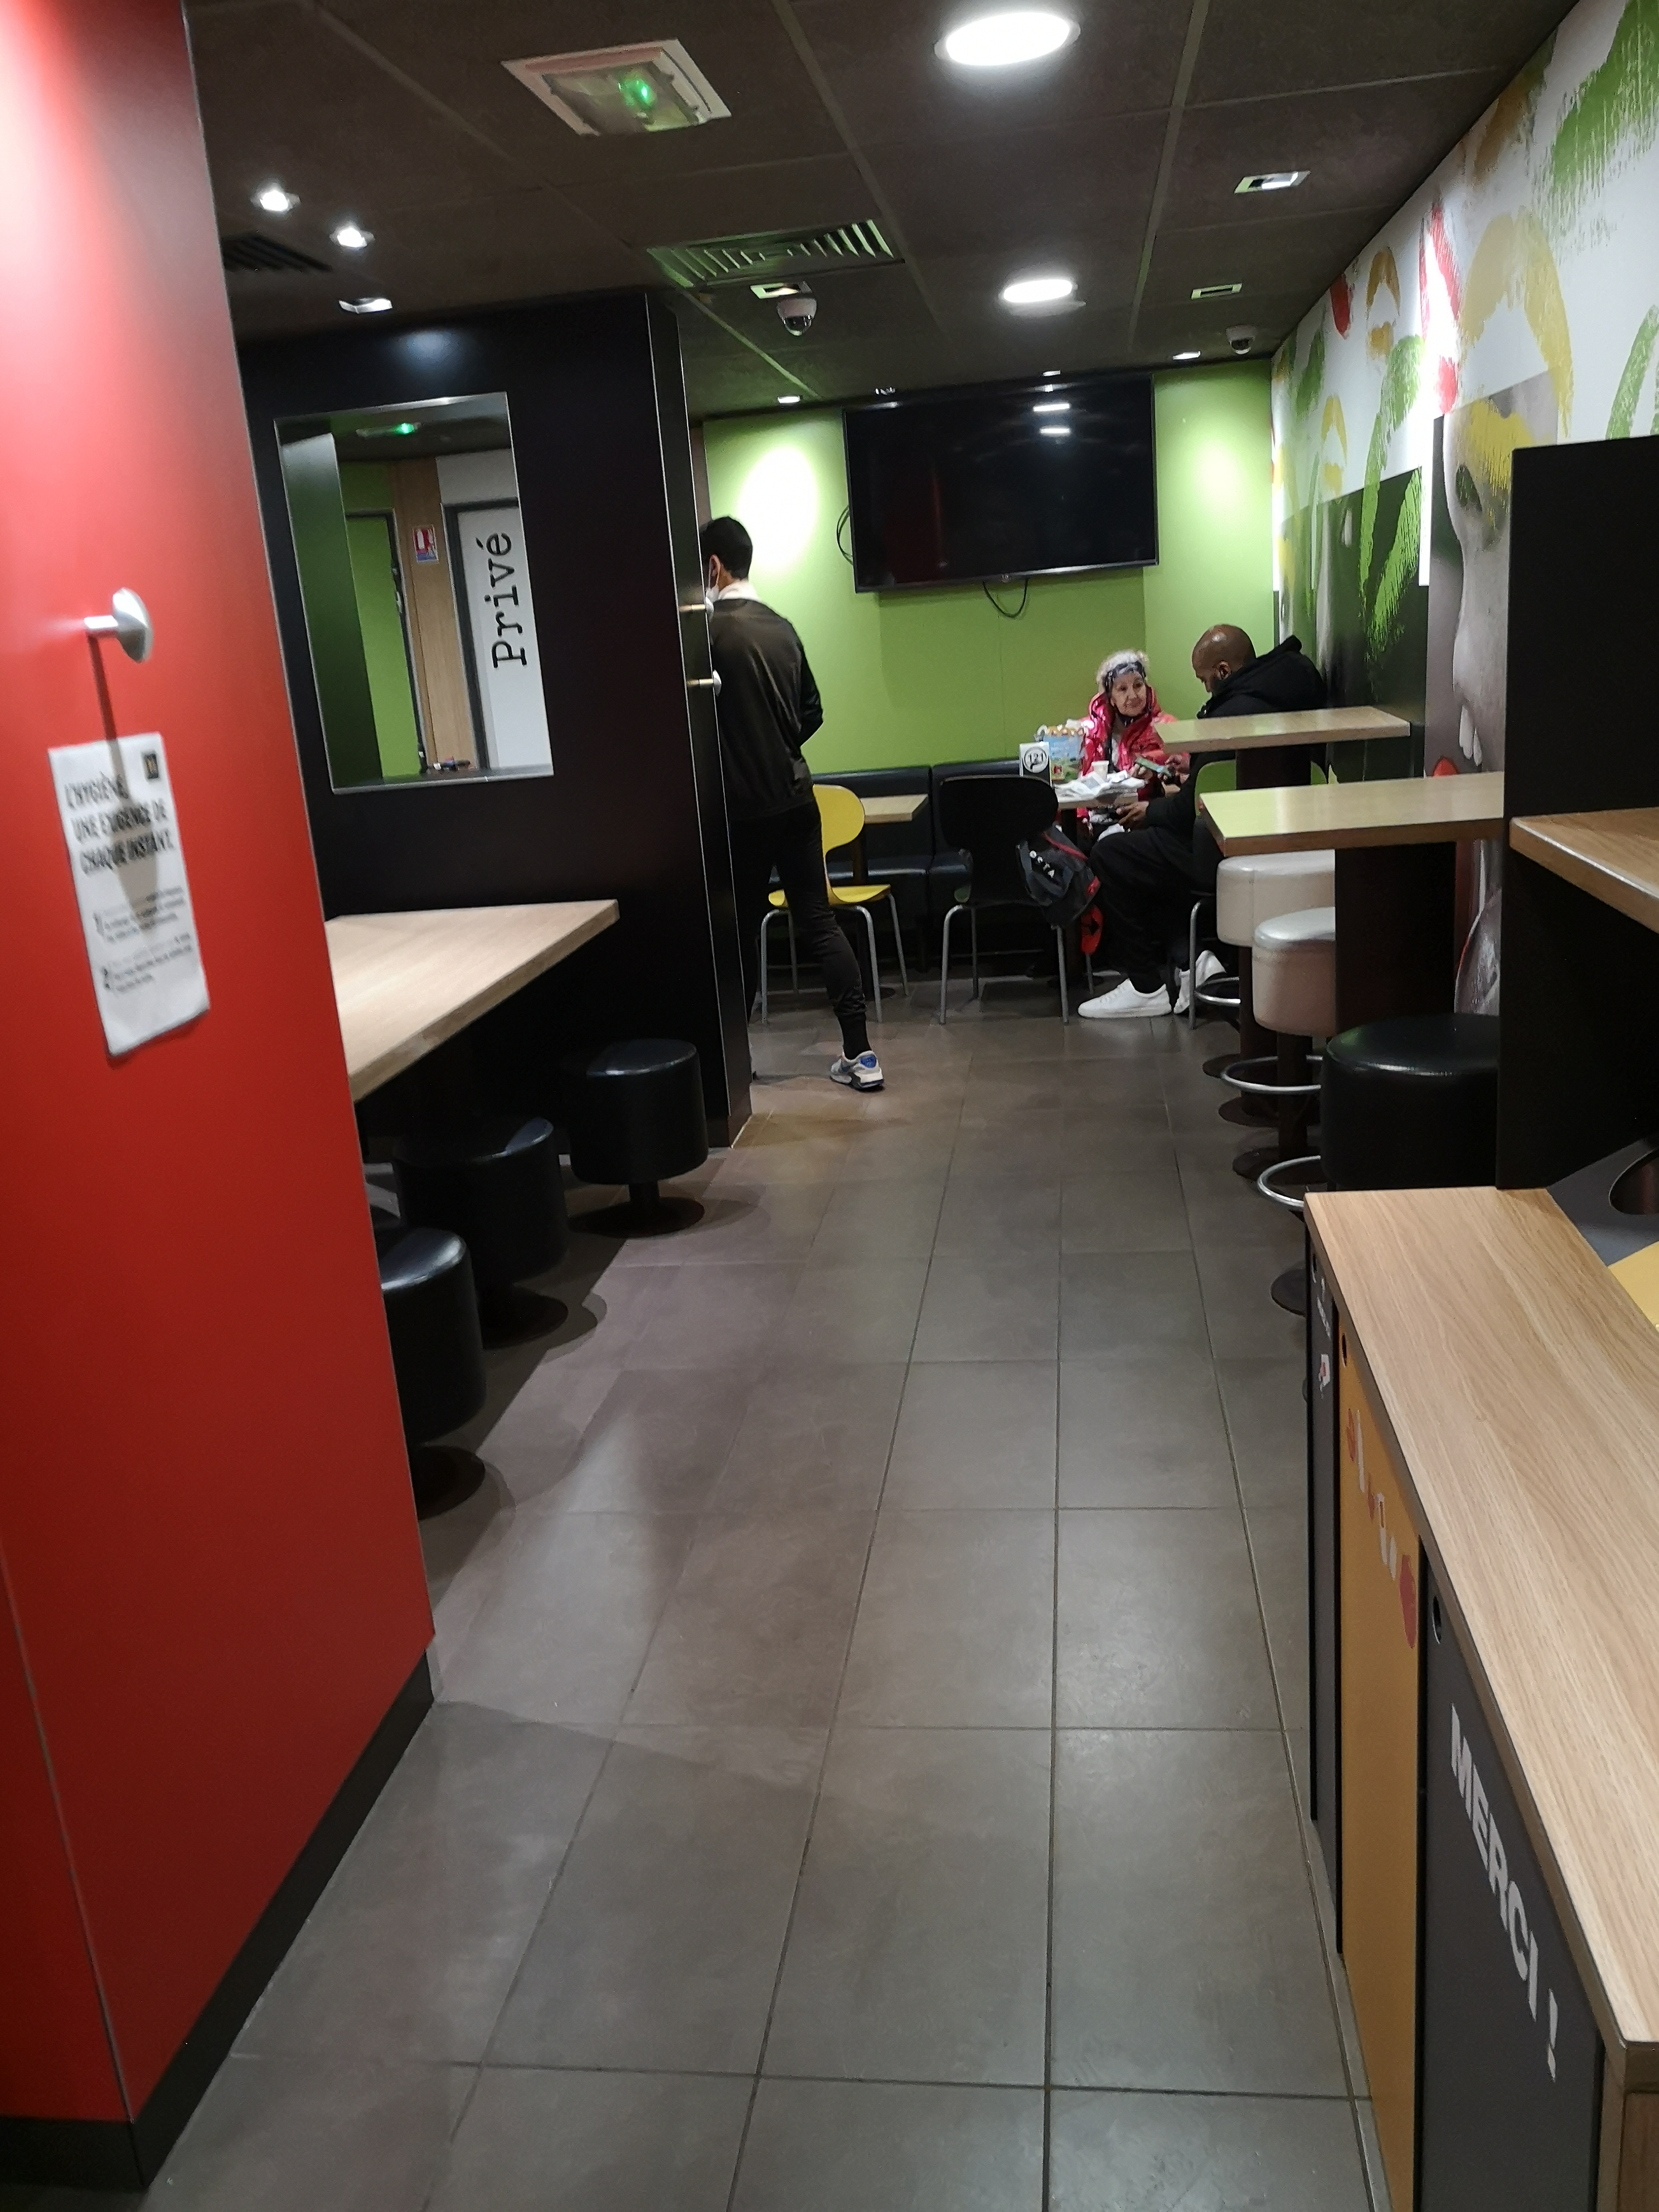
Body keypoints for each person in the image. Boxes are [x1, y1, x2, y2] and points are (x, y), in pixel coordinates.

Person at [700, 516, 884, 1092]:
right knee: (820, 922)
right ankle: (862, 1055)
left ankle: (734, 1065)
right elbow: (813, 712)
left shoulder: (707, 636)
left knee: (740, 932)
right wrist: (778, 748)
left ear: (713, 567)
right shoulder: (782, 628)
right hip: (798, 799)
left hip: (742, 812)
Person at [1078, 624, 1328, 1019]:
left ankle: (1146, 985)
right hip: (1290, 847)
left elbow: (1190, 809)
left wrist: (1150, 812)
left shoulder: (1229, 718)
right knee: (1151, 859)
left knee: (1113, 853)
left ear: (1223, 671)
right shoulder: (1288, 696)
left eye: (1205, 680)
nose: (1207, 689)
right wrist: (1191, 772)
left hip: (1224, 850)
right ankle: (1193, 960)